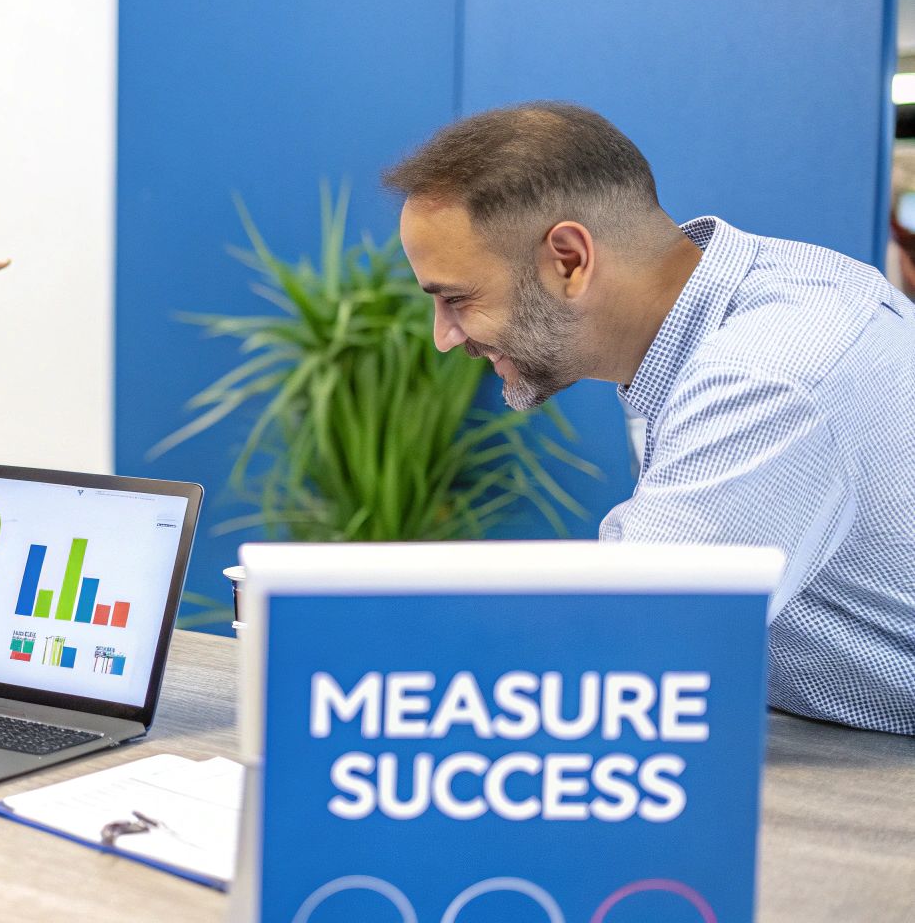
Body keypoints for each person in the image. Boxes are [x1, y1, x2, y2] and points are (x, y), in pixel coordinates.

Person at [382, 101, 915, 735]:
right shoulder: (720, 312)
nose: (444, 336)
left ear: (570, 260)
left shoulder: (765, 375)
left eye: (458, 298)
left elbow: (622, 648)